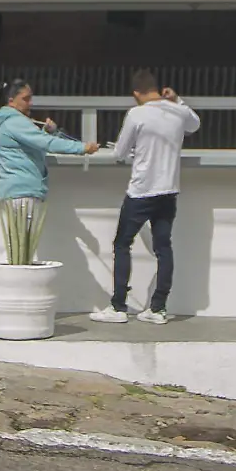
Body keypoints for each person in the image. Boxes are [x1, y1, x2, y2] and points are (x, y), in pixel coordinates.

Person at [0, 80, 96, 321]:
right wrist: (81, 148)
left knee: (19, 248)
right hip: (24, 190)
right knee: (19, 250)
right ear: (11, 100)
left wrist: (51, 132)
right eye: (26, 98)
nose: (31, 103)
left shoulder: (7, 122)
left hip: (18, 190)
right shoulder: (15, 122)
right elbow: (46, 144)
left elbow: (39, 142)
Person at [90, 70, 199, 325]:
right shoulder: (177, 111)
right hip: (169, 190)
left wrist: (133, 153)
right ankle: (158, 308)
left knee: (121, 244)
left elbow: (119, 152)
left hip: (141, 191)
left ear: (136, 93)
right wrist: (178, 100)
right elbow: (195, 124)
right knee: (163, 248)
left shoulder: (136, 114)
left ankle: (118, 306)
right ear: (158, 89)